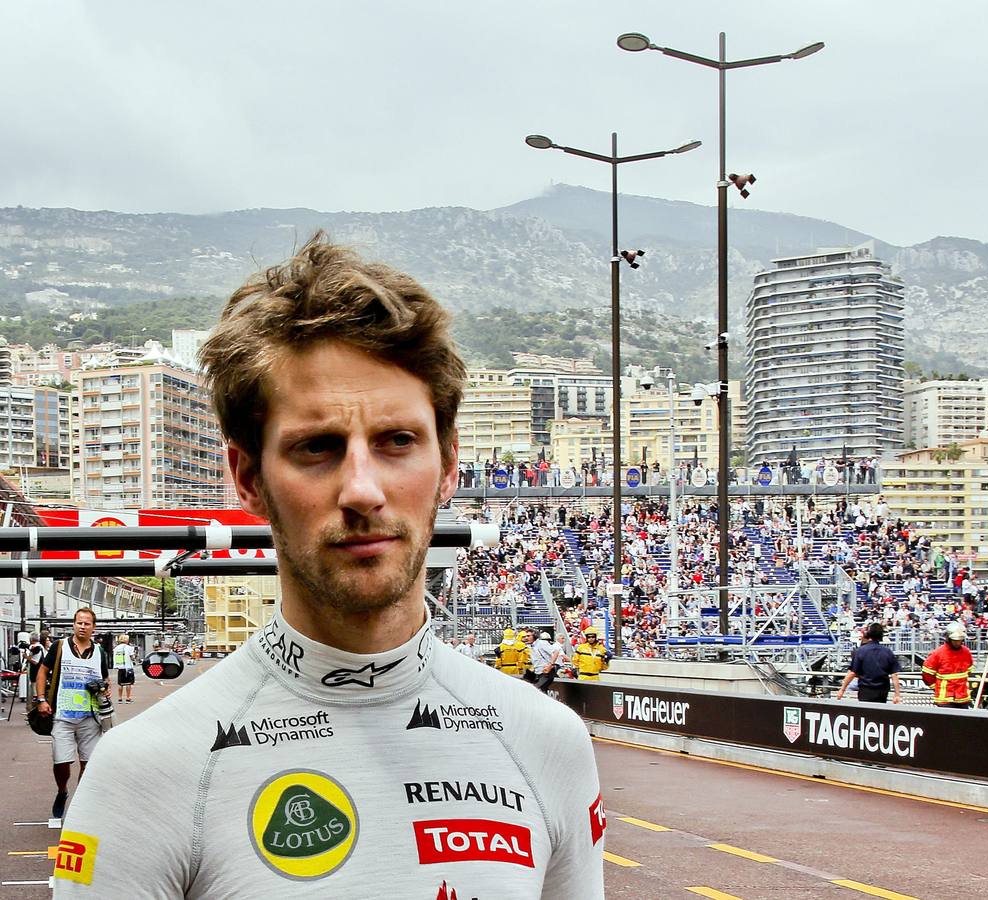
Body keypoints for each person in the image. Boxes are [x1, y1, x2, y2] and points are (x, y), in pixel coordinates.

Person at [53, 234, 604, 897]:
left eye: (397, 441)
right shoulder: (143, 773)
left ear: (450, 463)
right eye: (317, 447)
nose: (363, 489)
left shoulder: (549, 743)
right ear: (247, 475)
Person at [33, 608, 111, 819]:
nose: (82, 627)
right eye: (79, 623)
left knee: (88, 763)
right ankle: (62, 791)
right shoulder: (59, 647)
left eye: (87, 624)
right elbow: (42, 671)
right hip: (62, 716)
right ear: (73, 624)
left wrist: (105, 688)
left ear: (93, 627)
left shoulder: (100, 652)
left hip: (90, 717)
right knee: (61, 761)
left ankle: (80, 803)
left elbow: (105, 680)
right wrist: (41, 699)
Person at [835, 622, 902, 704]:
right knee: (879, 714)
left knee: (865, 714)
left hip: (866, 689)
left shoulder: (860, 651)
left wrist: (842, 690)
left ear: (869, 634)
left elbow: (852, 673)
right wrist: (897, 694)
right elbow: (894, 675)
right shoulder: (887, 652)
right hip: (882, 691)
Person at [921, 621, 975, 709]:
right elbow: (927, 674)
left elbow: (969, 670)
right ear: (948, 639)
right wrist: (937, 686)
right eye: (955, 641)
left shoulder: (966, 652)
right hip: (945, 697)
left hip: (962, 695)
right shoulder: (938, 653)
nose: (958, 643)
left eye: (960, 640)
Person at [112, 634, 136, 703]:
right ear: (126, 640)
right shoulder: (129, 648)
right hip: (128, 667)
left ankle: (120, 698)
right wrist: (134, 658)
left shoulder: (116, 648)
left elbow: (116, 658)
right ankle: (128, 698)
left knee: (120, 684)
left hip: (120, 667)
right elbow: (132, 657)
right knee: (129, 683)